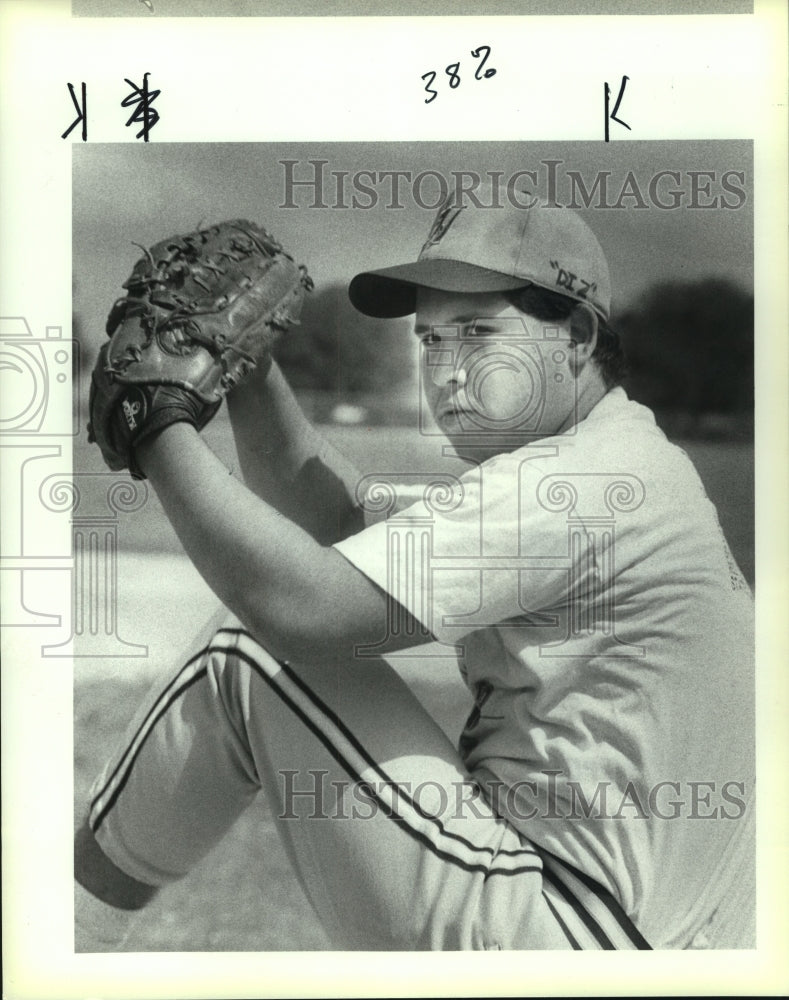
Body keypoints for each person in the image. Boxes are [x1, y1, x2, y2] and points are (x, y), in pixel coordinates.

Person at [74, 190, 755, 952]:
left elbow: (304, 609)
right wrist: (254, 373)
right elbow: (341, 527)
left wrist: (154, 429)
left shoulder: (579, 482)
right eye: (431, 341)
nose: (448, 370)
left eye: (475, 332)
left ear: (575, 335)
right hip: (638, 941)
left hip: (567, 934)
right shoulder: (618, 460)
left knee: (250, 651)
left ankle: (65, 933)